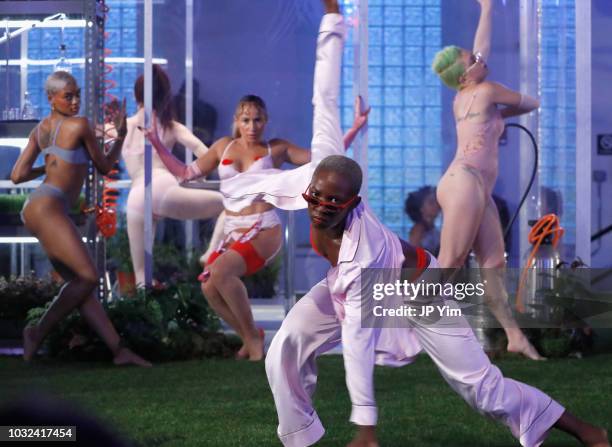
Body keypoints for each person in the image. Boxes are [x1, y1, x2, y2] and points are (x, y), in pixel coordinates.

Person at [143, 79, 368, 361]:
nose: (252, 126)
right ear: (237, 120)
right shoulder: (223, 147)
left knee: (222, 272)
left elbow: (323, 160)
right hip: (232, 231)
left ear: (266, 121)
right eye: (246, 120)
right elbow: (186, 173)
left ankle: (252, 340)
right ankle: (250, 336)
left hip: (264, 228)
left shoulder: (276, 149)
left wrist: (354, 128)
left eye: (258, 120)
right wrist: (154, 141)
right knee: (209, 286)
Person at [11, 71, 150, 367]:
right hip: (48, 208)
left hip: (39, 207)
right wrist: (122, 135)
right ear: (51, 98)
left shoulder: (39, 130)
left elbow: (17, 175)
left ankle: (118, 350)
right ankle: (36, 332)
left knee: (80, 284)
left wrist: (49, 167)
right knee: (88, 277)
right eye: (68, 96)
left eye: (77, 95)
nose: (75, 102)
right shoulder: (80, 125)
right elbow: (104, 165)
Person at [431, 0, 544, 360]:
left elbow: (481, 49)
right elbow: (531, 102)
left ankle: (514, 337)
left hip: (472, 185)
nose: (480, 60)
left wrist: (487, 8)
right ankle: (397, 334)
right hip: (465, 182)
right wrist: (507, 107)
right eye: (472, 61)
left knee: (493, 262)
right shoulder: (488, 90)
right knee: (451, 260)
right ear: (464, 76)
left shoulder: (464, 95)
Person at [120, 65, 224, 285]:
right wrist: (200, 176)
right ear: (166, 96)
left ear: (135, 94)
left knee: (141, 275)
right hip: (162, 188)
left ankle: (144, 313)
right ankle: (209, 253)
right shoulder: (171, 126)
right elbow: (204, 152)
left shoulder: (123, 126)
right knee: (230, 205)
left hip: (135, 197)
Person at [405, 185, 441, 256]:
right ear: (421, 208)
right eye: (431, 203)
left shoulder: (431, 227)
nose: (437, 205)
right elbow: (414, 257)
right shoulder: (418, 229)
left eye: (437, 201)